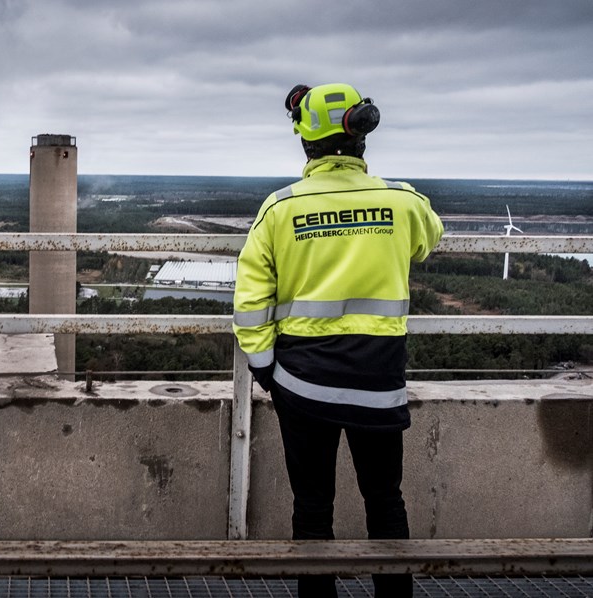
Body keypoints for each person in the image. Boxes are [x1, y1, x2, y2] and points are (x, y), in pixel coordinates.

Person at [232, 82, 443, 598]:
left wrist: (265, 371)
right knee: (385, 502)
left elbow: (250, 302)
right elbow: (429, 238)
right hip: (377, 377)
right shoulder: (403, 201)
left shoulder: (279, 210)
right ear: (362, 136)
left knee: (312, 508)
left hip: (302, 384)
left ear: (305, 142)